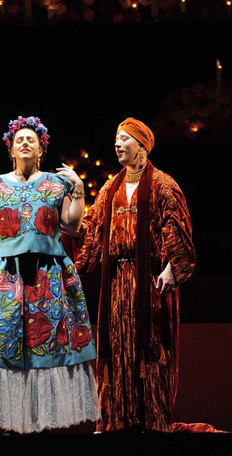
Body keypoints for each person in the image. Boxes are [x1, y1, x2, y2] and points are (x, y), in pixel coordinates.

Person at [0, 115, 101, 434]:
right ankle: (13, 422)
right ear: (10, 149)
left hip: (48, 275)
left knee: (47, 341)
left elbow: (73, 224)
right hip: (6, 277)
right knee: (8, 340)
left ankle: (42, 422)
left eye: (32, 140)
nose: (25, 143)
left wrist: (78, 189)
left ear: (41, 150)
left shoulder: (56, 183)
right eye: (19, 140)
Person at [73, 117, 196, 433]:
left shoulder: (162, 185)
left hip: (149, 282)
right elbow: (92, 231)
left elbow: (177, 227)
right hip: (116, 284)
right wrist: (67, 221)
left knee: (151, 350)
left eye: (124, 138)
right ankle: (116, 421)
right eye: (116, 137)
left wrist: (172, 267)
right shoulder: (108, 189)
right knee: (115, 349)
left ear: (142, 145)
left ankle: (150, 421)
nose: (117, 143)